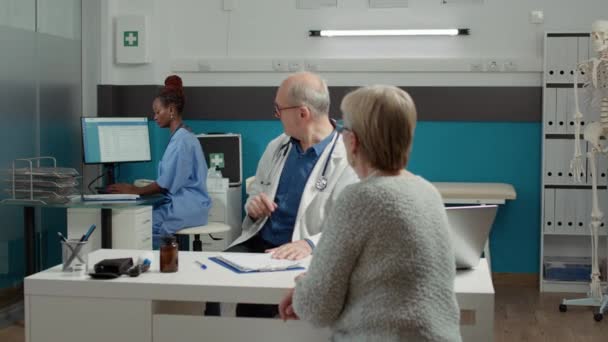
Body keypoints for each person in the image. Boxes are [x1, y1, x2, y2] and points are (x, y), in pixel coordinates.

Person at [279, 85, 462, 341]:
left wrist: (305, 288)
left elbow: (317, 308)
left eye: (343, 130)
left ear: (352, 141)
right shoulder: (427, 191)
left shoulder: (359, 198)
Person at [209, 72, 358, 317]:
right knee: (213, 279)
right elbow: (256, 191)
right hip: (260, 244)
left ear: (302, 113)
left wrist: (309, 243)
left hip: (303, 252)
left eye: (279, 109)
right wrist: (253, 205)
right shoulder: (277, 146)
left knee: (262, 310)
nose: (277, 115)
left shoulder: (348, 158)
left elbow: (349, 225)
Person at [108, 75, 211, 249]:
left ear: (171, 110)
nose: (154, 117)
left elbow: (165, 185)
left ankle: (156, 267)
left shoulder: (181, 141)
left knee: (142, 224)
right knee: (147, 217)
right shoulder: (184, 136)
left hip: (186, 207)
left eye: (157, 112)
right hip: (192, 205)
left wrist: (134, 190)